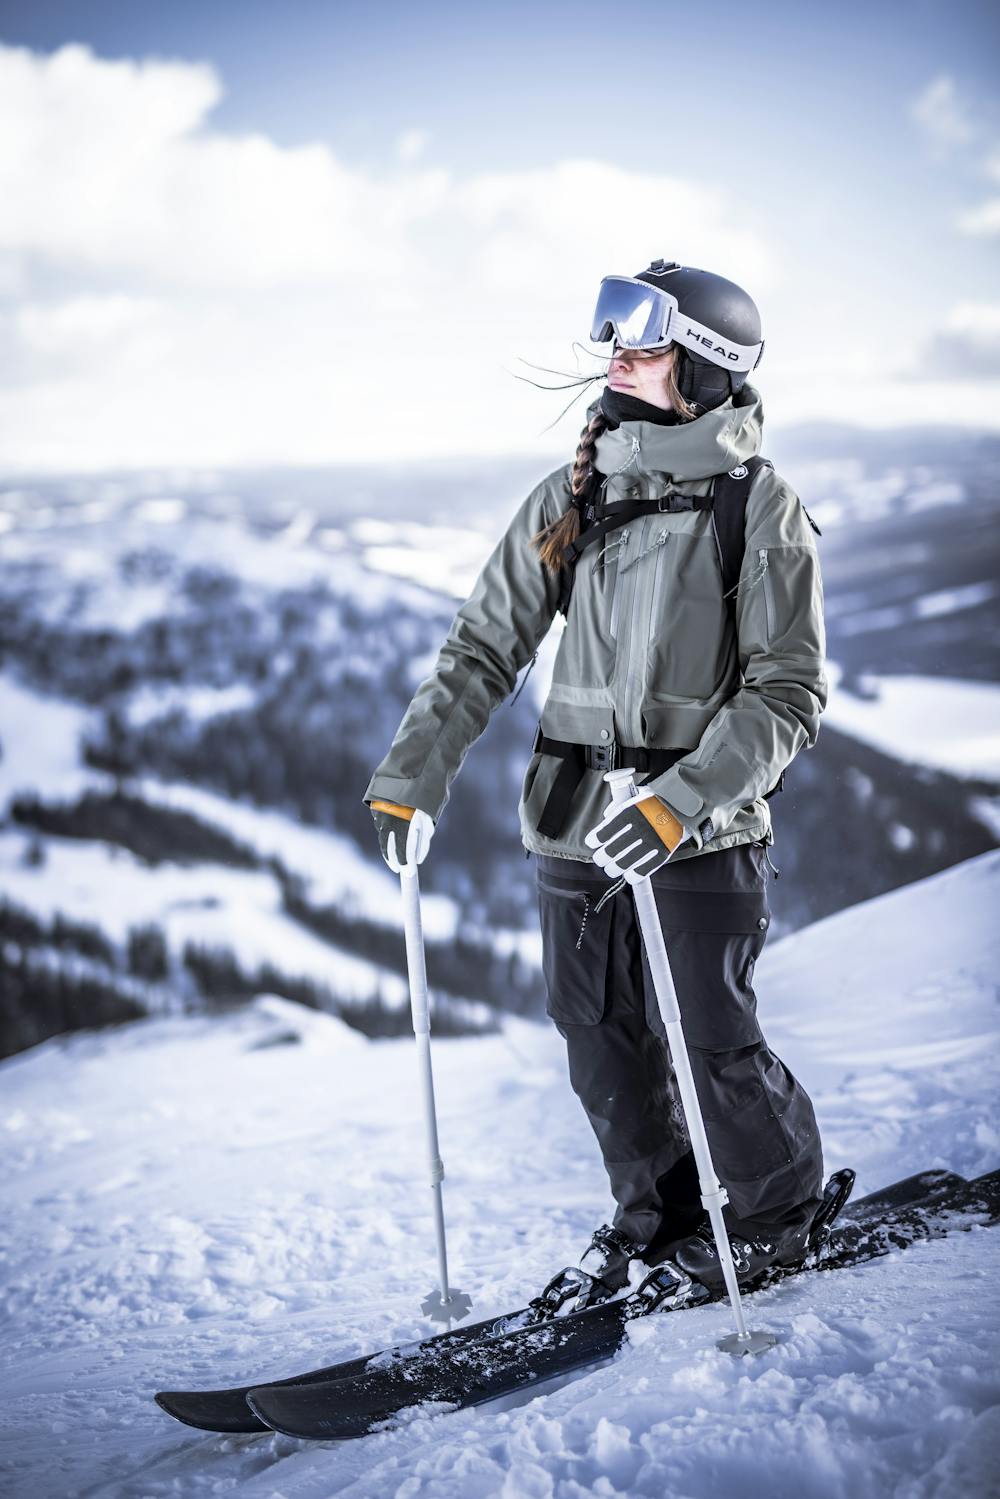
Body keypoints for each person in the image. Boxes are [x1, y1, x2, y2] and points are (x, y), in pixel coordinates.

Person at [364, 258, 827, 1300]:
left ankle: (772, 1209)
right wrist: (413, 775)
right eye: (612, 327)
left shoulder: (756, 505)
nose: (616, 347)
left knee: (712, 1039)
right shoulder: (575, 489)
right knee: (599, 1040)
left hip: (695, 830)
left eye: (645, 335)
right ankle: (654, 1212)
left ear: (704, 369)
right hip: (574, 824)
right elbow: (483, 646)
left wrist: (678, 798)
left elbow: (787, 692)